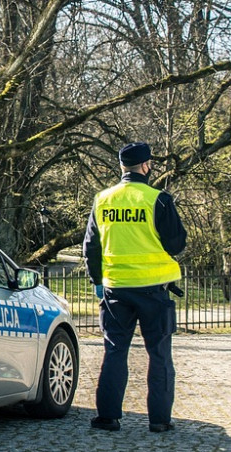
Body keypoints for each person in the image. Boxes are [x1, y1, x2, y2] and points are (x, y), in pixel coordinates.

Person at [83, 142, 187, 433]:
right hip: (153, 289)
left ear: (121, 167)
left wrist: (97, 281)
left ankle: (107, 417)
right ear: (146, 166)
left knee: (115, 350)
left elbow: (91, 246)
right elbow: (176, 244)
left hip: (116, 289)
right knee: (159, 353)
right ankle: (159, 420)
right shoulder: (158, 199)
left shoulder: (103, 200)